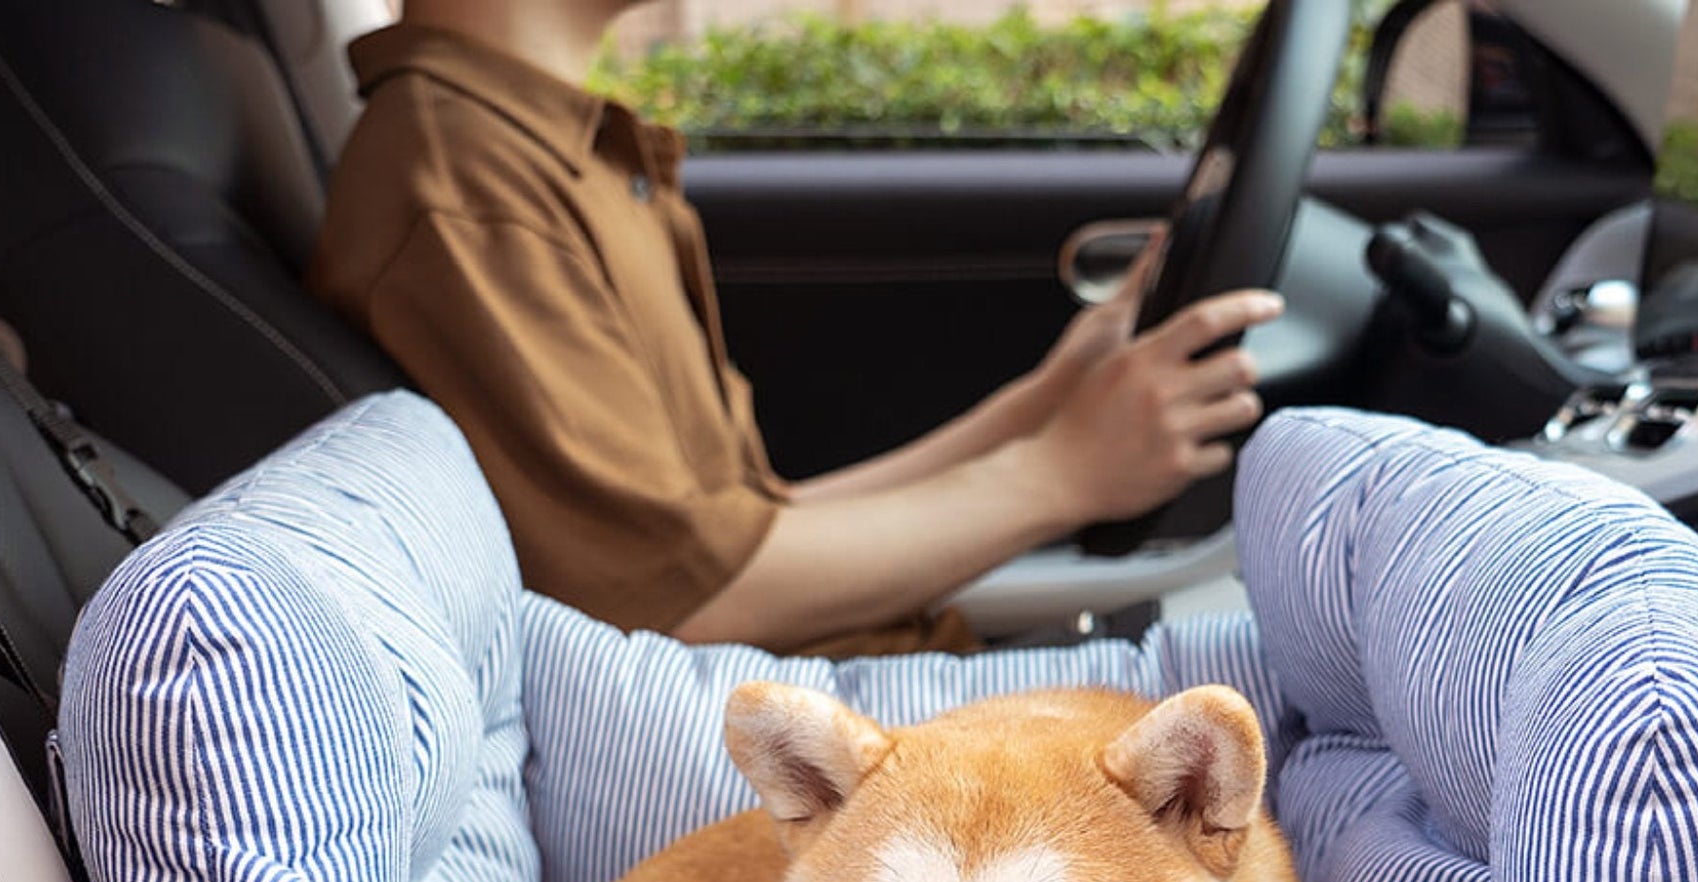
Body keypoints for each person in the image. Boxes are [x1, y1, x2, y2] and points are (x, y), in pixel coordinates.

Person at [309, 0, 1279, 659]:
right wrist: (1061, 473)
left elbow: (748, 529)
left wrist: (1043, 411)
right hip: (775, 741)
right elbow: (687, 604)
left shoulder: (555, 153)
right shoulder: (466, 180)